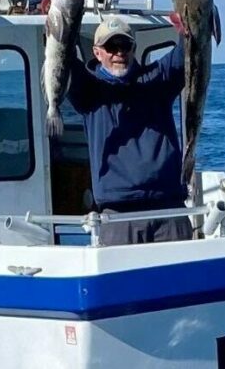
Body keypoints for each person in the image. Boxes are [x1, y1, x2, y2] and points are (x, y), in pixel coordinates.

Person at [67, 16, 193, 245]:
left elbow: (188, 53)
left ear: (133, 48)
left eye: (124, 45)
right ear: (97, 52)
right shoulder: (88, 91)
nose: (118, 53)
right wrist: (58, 24)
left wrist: (188, 26)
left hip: (169, 209)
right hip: (118, 217)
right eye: (110, 47)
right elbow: (63, 59)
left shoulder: (158, 80)